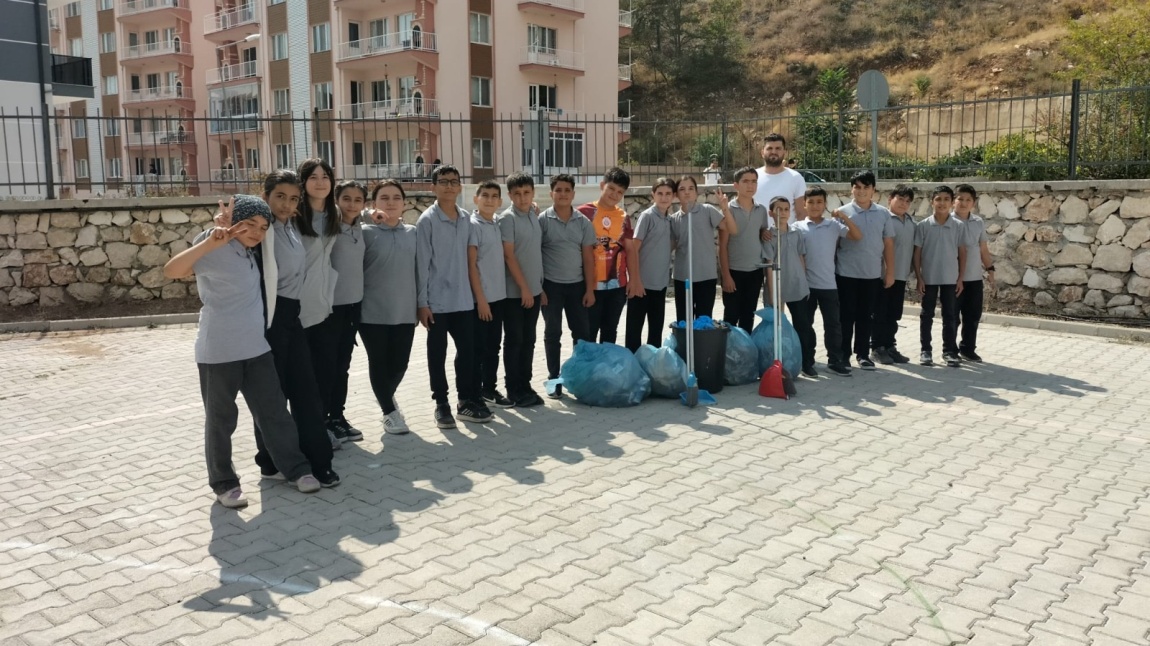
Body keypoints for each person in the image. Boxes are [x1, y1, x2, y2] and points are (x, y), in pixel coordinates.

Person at [163, 194, 321, 508]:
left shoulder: (252, 250)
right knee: (221, 421)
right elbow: (172, 270)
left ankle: (296, 470)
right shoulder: (213, 245)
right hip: (218, 352)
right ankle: (224, 484)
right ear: (235, 222)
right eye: (249, 225)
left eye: (263, 227)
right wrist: (211, 239)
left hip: (256, 349)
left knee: (274, 413)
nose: (257, 232)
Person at [249, 172, 338, 488]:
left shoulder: (291, 228)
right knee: (273, 396)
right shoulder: (260, 229)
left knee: (306, 391)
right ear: (266, 196)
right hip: (269, 318)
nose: (286, 204)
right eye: (280, 197)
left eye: (293, 198)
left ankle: (319, 461)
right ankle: (269, 461)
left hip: (292, 317)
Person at [417, 164, 492, 428]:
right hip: (436, 303)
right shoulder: (426, 221)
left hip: (463, 301)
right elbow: (422, 265)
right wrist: (422, 303)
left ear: (460, 187)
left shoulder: (465, 219)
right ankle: (441, 404)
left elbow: (473, 262)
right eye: (443, 181)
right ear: (433, 186)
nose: (449, 186)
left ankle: (466, 401)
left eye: (454, 181)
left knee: (468, 353)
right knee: (437, 355)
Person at [359, 180, 418, 435]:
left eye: (396, 197)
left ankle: (386, 397)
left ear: (404, 203)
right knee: (378, 363)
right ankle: (389, 412)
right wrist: (364, 214)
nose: (391, 202)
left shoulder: (414, 233)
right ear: (374, 203)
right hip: (372, 313)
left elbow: (421, 271)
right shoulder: (364, 233)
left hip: (405, 311)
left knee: (400, 364)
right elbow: (340, 214)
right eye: (384, 198)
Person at [293, 158, 344, 450]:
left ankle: (319, 427)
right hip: (298, 309)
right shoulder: (294, 215)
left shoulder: (333, 214)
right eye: (314, 177)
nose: (321, 181)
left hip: (325, 307)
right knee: (302, 377)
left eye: (326, 176)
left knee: (325, 373)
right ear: (303, 182)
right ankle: (303, 433)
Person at [791, 186, 861, 376]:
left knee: (833, 325)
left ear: (825, 205)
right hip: (806, 286)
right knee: (805, 326)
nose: (815, 206)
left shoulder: (833, 226)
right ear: (804, 205)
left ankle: (835, 360)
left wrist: (844, 217)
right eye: (811, 202)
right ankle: (807, 361)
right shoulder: (797, 228)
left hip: (829, 285)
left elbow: (856, 236)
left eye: (819, 202)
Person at [539, 173, 597, 399]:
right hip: (551, 288)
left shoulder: (583, 222)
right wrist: (540, 288)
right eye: (558, 190)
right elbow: (535, 256)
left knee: (581, 335)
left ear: (573, 194)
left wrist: (590, 289)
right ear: (551, 193)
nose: (562, 194)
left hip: (577, 288)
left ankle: (579, 378)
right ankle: (554, 380)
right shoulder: (542, 221)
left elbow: (588, 258)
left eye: (567, 190)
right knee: (552, 333)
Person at [835, 170, 896, 371]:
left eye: (866, 187)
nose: (861, 191)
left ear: (873, 190)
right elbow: (834, 244)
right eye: (857, 187)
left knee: (865, 315)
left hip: (871, 274)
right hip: (846, 274)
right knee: (846, 316)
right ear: (852, 189)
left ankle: (862, 354)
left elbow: (888, 244)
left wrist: (889, 272)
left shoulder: (883, 213)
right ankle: (843, 355)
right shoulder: (842, 213)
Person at [498, 173, 545, 408]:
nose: (522, 197)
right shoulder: (507, 219)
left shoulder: (533, 215)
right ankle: (513, 389)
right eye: (516, 193)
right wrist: (525, 288)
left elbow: (535, 255)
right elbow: (509, 255)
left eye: (526, 192)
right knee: (515, 340)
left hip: (533, 291)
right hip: (514, 293)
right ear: (509, 195)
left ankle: (525, 384)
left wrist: (538, 287)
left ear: (533, 193)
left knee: (529, 340)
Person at [325, 180, 367, 442]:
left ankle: (338, 417)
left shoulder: (362, 227)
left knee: (343, 366)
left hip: (353, 306)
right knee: (328, 367)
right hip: (330, 309)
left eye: (358, 199)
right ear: (337, 199)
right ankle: (324, 421)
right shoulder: (328, 227)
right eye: (346, 198)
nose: (352, 204)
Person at [467, 181, 511, 408]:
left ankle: (489, 389)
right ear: (476, 198)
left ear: (500, 202)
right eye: (485, 195)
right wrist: (481, 300)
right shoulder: (473, 225)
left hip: (498, 297)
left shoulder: (495, 223)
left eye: (495, 196)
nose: (490, 200)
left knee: (494, 346)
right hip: (481, 300)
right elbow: (472, 264)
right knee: (479, 348)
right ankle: (476, 392)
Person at [670, 175, 737, 323]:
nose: (687, 192)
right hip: (683, 277)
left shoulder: (707, 211)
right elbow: (669, 246)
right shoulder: (674, 219)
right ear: (676, 195)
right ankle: (684, 347)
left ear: (697, 192)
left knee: (704, 320)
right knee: (684, 321)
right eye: (682, 189)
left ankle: (702, 347)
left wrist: (725, 208)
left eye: (691, 188)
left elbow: (731, 229)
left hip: (706, 277)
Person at [914, 186, 967, 368]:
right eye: (938, 199)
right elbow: (917, 254)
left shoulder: (958, 226)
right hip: (929, 279)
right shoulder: (923, 226)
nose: (942, 203)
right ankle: (925, 350)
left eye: (946, 199)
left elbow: (962, 253)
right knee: (926, 314)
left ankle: (949, 351)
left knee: (950, 316)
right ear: (932, 202)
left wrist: (960, 278)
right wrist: (919, 277)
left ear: (952, 203)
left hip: (950, 279)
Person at [761, 197, 812, 376]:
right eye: (778, 210)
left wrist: (804, 282)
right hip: (777, 287)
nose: (782, 213)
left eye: (785, 209)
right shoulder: (769, 236)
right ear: (770, 213)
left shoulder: (796, 232)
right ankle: (776, 363)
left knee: (802, 325)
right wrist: (772, 292)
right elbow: (768, 264)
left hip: (797, 286)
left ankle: (806, 362)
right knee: (776, 327)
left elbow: (801, 257)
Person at [624, 177, 676, 351]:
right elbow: (634, 248)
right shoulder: (647, 216)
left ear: (673, 196)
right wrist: (635, 280)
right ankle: (633, 368)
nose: (664, 197)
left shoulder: (669, 219)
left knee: (655, 330)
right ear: (653, 195)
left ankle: (652, 367)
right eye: (660, 193)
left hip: (659, 284)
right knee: (634, 330)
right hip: (641, 285)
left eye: (668, 193)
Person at [581, 167, 632, 345]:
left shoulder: (624, 217)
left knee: (610, 331)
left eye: (620, 192)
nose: (614, 194)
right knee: (588, 332)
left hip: (617, 286)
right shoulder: (583, 213)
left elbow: (630, 250)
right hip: (591, 286)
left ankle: (605, 371)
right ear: (602, 185)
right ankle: (589, 371)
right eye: (611, 188)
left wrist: (634, 279)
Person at [719, 166, 771, 333]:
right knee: (731, 316)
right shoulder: (728, 210)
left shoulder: (761, 210)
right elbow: (723, 246)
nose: (750, 186)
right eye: (746, 181)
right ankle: (729, 354)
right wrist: (726, 276)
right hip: (734, 271)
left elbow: (762, 232)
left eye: (754, 181)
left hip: (755, 271)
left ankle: (745, 354)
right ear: (736, 185)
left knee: (749, 315)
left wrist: (764, 232)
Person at [871, 184, 917, 365]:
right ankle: (877, 347)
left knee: (894, 314)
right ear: (890, 199)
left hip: (901, 276)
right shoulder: (883, 218)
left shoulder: (911, 223)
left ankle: (890, 346)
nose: (904, 204)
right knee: (880, 313)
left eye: (907, 201)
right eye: (900, 199)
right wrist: (886, 272)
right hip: (884, 276)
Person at [953, 184, 994, 362]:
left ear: (974, 203)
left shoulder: (978, 222)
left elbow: (983, 249)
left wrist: (990, 269)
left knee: (972, 316)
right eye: (960, 199)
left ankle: (968, 349)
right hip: (952, 278)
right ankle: (950, 349)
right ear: (954, 200)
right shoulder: (947, 221)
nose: (963, 203)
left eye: (968, 200)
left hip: (974, 278)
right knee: (952, 316)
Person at [754, 133, 808, 221]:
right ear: (762, 152)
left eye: (778, 148)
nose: (774, 152)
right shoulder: (753, 177)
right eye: (769, 148)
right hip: (758, 234)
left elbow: (801, 213)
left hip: (788, 234)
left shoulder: (796, 178)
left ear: (785, 152)